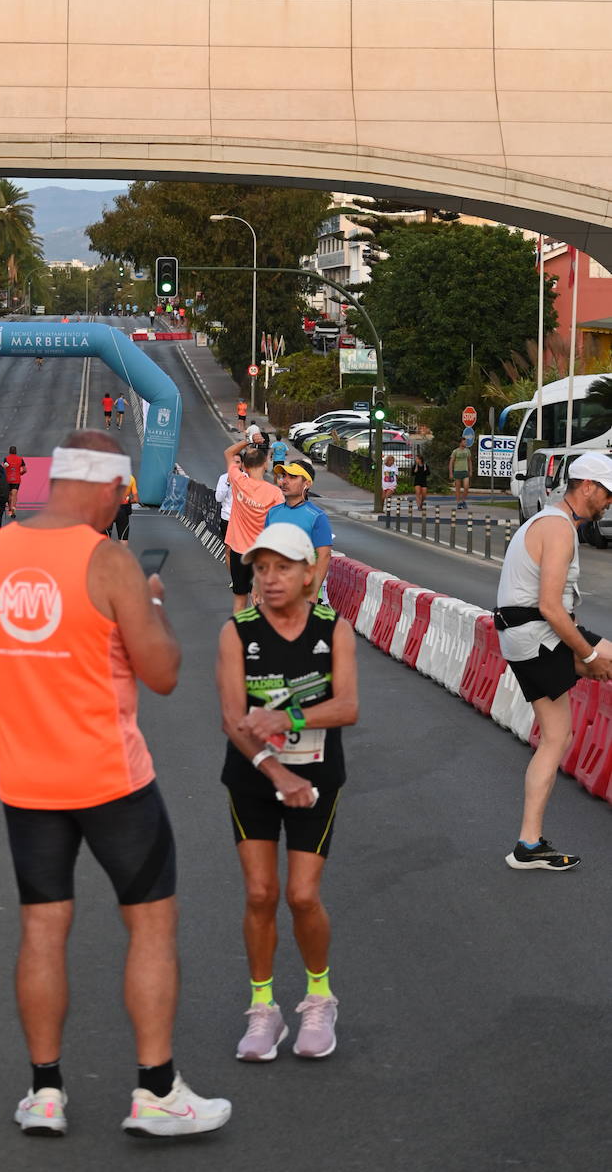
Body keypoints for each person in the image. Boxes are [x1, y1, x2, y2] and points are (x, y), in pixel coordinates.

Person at [0, 429, 231, 1139]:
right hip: (111, 778)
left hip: (27, 781)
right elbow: (164, 673)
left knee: (41, 929)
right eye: (122, 494)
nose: (122, 506)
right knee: (150, 923)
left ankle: (44, 1093)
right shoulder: (108, 560)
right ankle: (156, 1091)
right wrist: (150, 604)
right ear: (107, 485)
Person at [216, 522, 358, 1063]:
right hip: (254, 775)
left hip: (317, 776)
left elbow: (347, 706)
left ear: (307, 575)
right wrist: (278, 773)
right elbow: (233, 719)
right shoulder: (237, 632)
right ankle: (263, 1008)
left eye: (282, 568)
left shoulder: (333, 629)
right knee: (259, 893)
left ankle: (320, 998)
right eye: (261, 569)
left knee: (301, 895)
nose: (270, 579)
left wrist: (287, 716)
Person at [495, 451, 612, 870]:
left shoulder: (549, 522)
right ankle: (528, 844)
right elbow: (549, 606)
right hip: (536, 636)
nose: (610, 502)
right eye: (608, 493)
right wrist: (589, 655)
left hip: (522, 636)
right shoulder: (558, 528)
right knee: (559, 734)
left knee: (556, 738)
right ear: (588, 487)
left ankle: (528, 845)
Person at [224, 440, 283, 614]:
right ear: (265, 465)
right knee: (259, 601)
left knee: (239, 599)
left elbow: (228, 452)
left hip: (238, 552)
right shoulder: (275, 493)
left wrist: (248, 440)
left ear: (245, 467)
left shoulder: (238, 480)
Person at [266, 461, 333, 602]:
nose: (285, 481)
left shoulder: (317, 516)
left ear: (306, 484)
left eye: (293, 477)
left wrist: (313, 592)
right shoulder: (273, 513)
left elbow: (324, 556)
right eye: (284, 476)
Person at [110, 471, 138, 543]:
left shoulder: (107, 477)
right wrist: (127, 499)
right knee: (123, 538)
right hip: (123, 510)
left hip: (109, 509)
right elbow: (136, 499)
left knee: (105, 537)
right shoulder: (131, 478)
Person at [448, 437, 473, 510]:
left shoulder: (467, 451)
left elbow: (469, 461)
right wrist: (451, 473)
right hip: (457, 471)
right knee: (458, 488)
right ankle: (458, 502)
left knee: (466, 487)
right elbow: (451, 462)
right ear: (460, 442)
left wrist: (471, 470)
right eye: (464, 442)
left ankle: (463, 501)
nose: (465, 443)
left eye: (466, 442)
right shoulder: (455, 451)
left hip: (465, 471)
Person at [3, 446, 27, 520]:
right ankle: (13, 507)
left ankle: (10, 509)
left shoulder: (6, 459)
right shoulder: (20, 459)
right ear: (16, 451)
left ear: (9, 451)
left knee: (9, 495)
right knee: (14, 494)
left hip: (8, 479)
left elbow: (3, 468)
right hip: (16, 479)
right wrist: (20, 473)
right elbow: (25, 470)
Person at [214, 469, 233, 547]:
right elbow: (218, 498)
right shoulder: (224, 478)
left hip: (241, 520)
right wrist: (227, 483)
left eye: (238, 463)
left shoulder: (246, 477)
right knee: (228, 547)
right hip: (226, 518)